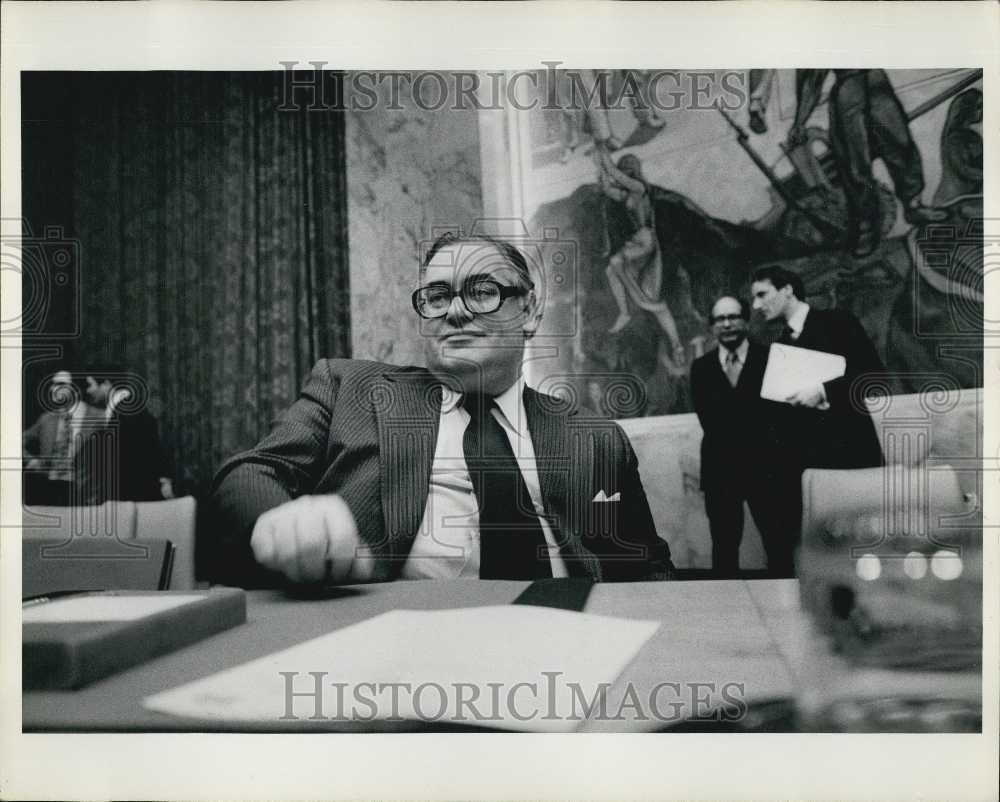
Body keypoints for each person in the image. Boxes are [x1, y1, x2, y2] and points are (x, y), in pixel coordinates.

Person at [213, 231, 674, 586]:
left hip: (568, 648)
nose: (454, 312)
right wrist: (281, 520)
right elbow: (251, 472)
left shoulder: (596, 439)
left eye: (481, 291)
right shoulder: (349, 388)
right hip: (388, 652)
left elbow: (648, 569)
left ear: (530, 312)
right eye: (436, 297)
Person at [750, 266, 885, 574]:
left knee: (862, 552)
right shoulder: (781, 346)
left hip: (852, 458)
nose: (757, 306)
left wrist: (823, 390)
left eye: (762, 294)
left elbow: (873, 377)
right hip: (812, 469)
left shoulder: (837, 322)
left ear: (787, 290)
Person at [690, 296, 798, 578]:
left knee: (779, 546)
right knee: (724, 550)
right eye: (720, 319)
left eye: (733, 317)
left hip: (768, 470)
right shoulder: (701, 368)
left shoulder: (770, 359)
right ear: (712, 326)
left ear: (746, 320)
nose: (727, 324)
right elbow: (709, 421)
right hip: (720, 471)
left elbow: (782, 417)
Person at [787, 69, 946, 256]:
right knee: (855, 163)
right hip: (848, 88)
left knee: (901, 144)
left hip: (877, 81)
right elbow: (812, 79)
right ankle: (866, 227)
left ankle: (914, 206)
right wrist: (799, 122)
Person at [595, 145, 686, 373]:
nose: (624, 171)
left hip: (645, 243)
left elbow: (616, 177)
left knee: (616, 264)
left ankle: (629, 311)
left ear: (633, 169)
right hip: (637, 243)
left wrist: (604, 155)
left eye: (626, 168)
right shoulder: (628, 193)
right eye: (623, 167)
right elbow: (608, 188)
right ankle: (630, 314)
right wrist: (599, 167)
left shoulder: (639, 188)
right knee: (614, 273)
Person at [79, 366, 174, 503]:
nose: (88, 391)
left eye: (90, 385)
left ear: (106, 384)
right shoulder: (128, 407)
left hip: (134, 493)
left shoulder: (125, 412)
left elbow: (127, 461)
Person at [22, 370, 102, 506]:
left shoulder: (99, 417)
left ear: (76, 390)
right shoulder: (46, 419)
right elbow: (13, 441)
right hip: (50, 492)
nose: (53, 388)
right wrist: (31, 461)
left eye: (60, 384)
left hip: (86, 495)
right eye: (52, 384)